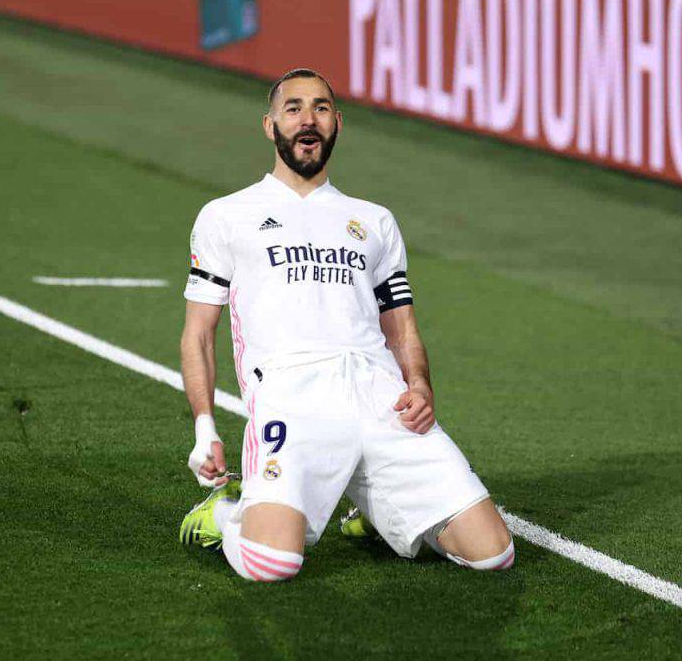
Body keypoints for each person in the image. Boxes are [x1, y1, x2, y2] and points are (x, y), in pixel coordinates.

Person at [178, 68, 513, 581]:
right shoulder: (227, 215)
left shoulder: (374, 220)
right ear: (269, 126)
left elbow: (400, 325)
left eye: (320, 108)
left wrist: (419, 385)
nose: (307, 120)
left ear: (338, 123)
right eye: (293, 109)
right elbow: (200, 332)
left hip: (379, 398)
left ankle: (377, 513)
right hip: (293, 399)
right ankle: (225, 514)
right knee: (273, 563)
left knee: (493, 554)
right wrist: (205, 426)